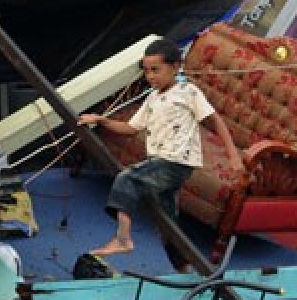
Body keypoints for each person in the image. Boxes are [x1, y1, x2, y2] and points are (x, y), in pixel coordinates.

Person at [78, 38, 243, 256]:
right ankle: (185, 266)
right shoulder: (152, 98)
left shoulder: (188, 91)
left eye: (156, 70)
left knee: (127, 179)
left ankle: (122, 239)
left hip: (175, 163)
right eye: (146, 71)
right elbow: (130, 128)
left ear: (175, 67)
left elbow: (215, 121)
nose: (150, 77)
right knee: (167, 225)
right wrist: (101, 120)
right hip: (158, 163)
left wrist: (233, 155)